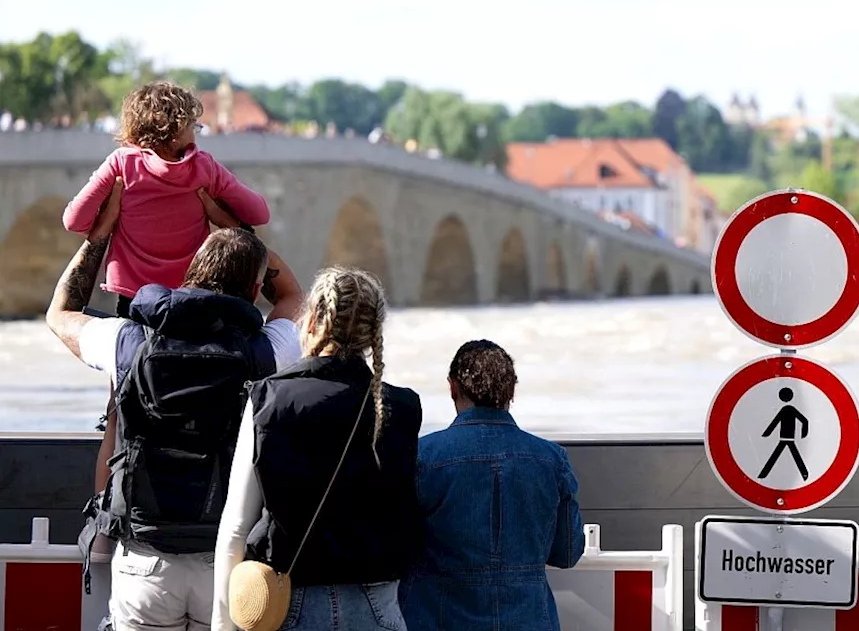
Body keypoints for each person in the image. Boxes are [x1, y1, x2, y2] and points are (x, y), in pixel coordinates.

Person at [45, 184, 305, 631]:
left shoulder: (129, 343)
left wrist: (101, 235)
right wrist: (238, 231)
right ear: (255, 288)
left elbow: (61, 312)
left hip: (146, 558)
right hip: (226, 557)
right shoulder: (263, 352)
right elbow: (294, 300)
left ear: (191, 271)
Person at [212, 267, 422, 631]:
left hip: (290, 602)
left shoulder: (270, 399)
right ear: (374, 333)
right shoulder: (402, 408)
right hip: (378, 606)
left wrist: (222, 624)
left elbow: (235, 528)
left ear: (312, 320)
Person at [399, 340, 585, 630]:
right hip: (530, 620)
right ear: (511, 391)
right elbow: (568, 552)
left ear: (453, 388)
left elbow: (396, 548)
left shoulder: (420, 457)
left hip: (437, 618)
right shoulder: (551, 460)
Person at [61, 80, 271, 316]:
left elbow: (74, 221)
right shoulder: (204, 168)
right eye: (195, 126)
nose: (197, 134)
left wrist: (109, 216)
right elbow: (259, 214)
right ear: (177, 131)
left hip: (134, 297)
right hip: (189, 295)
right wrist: (218, 213)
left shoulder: (121, 164)